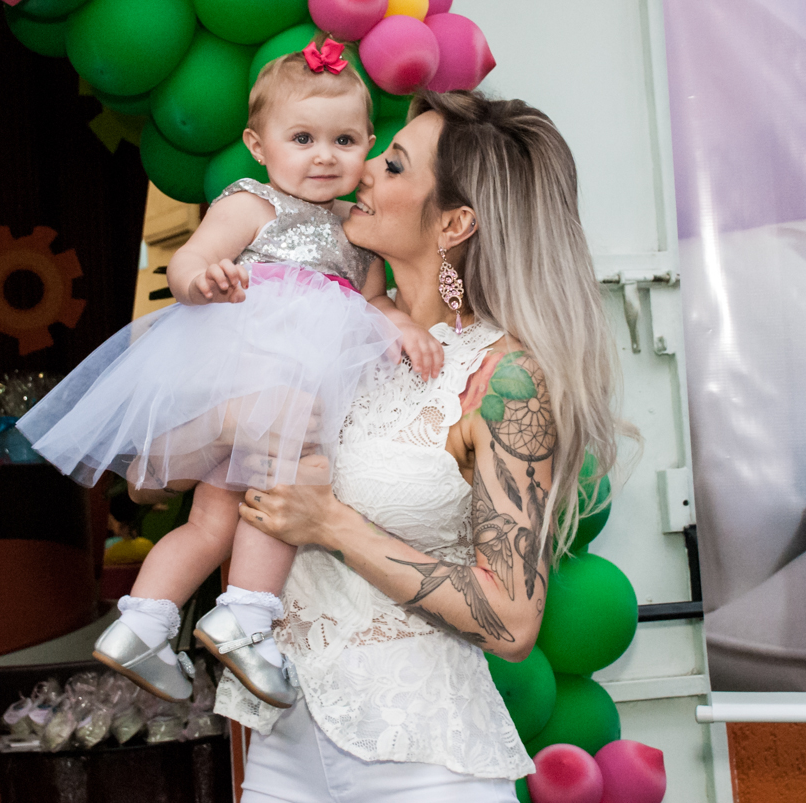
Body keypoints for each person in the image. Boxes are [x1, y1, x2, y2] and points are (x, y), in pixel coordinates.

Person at [216, 89, 635, 802]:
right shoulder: (319, 332)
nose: (366, 167)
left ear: (455, 221)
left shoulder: (503, 378)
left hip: (424, 766)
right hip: (284, 751)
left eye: (396, 163)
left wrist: (333, 524)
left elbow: (510, 618)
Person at [16, 41, 441, 707]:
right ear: (258, 144)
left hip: (282, 387)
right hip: (247, 373)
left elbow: (374, 304)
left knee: (213, 521)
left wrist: (401, 322)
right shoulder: (252, 203)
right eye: (302, 138)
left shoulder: (354, 235)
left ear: (366, 145)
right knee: (282, 488)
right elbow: (186, 266)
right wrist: (203, 278)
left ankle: (143, 622)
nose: (324, 155)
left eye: (344, 139)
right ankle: (245, 614)